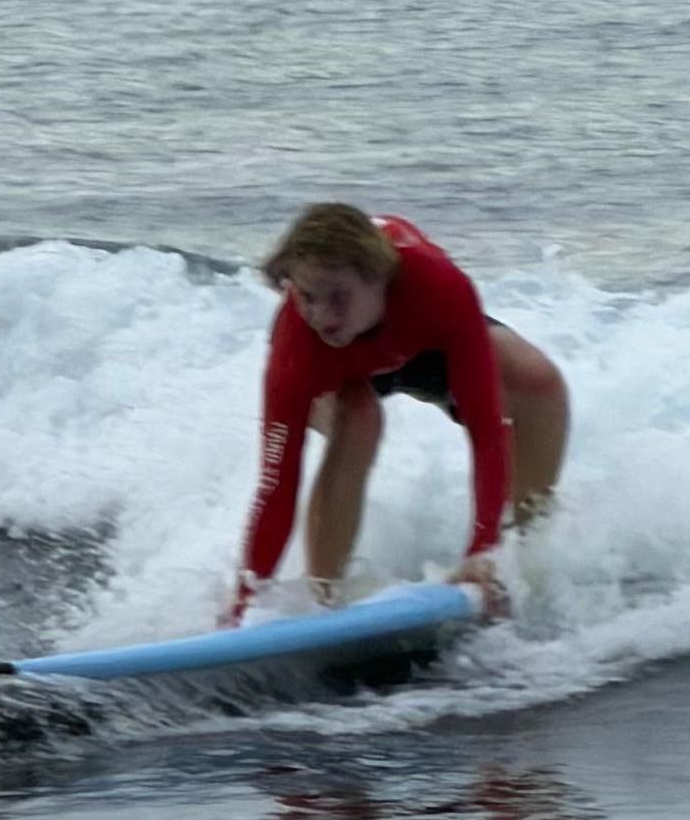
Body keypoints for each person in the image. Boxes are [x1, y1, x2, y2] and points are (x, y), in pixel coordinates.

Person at [224, 202, 567, 624]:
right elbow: (276, 484)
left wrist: (481, 549)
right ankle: (320, 595)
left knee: (538, 380)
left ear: (378, 279)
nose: (320, 315)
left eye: (338, 298)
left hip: (423, 343)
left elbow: (486, 429)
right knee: (358, 417)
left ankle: (518, 555)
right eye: (307, 296)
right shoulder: (299, 340)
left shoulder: (439, 286)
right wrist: (243, 603)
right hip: (340, 372)